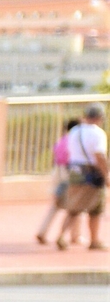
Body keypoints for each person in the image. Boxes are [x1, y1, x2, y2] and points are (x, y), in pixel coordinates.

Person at [59, 105, 106, 252]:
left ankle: (62, 235)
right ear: (99, 118)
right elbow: (99, 156)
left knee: (74, 207)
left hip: (75, 171)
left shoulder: (74, 131)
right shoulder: (98, 134)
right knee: (96, 208)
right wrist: (106, 174)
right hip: (91, 173)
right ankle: (94, 240)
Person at [35, 118, 79, 247]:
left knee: (55, 205)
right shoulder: (74, 141)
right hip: (68, 174)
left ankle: (43, 230)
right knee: (76, 205)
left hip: (57, 173)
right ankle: (74, 235)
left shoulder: (61, 141)